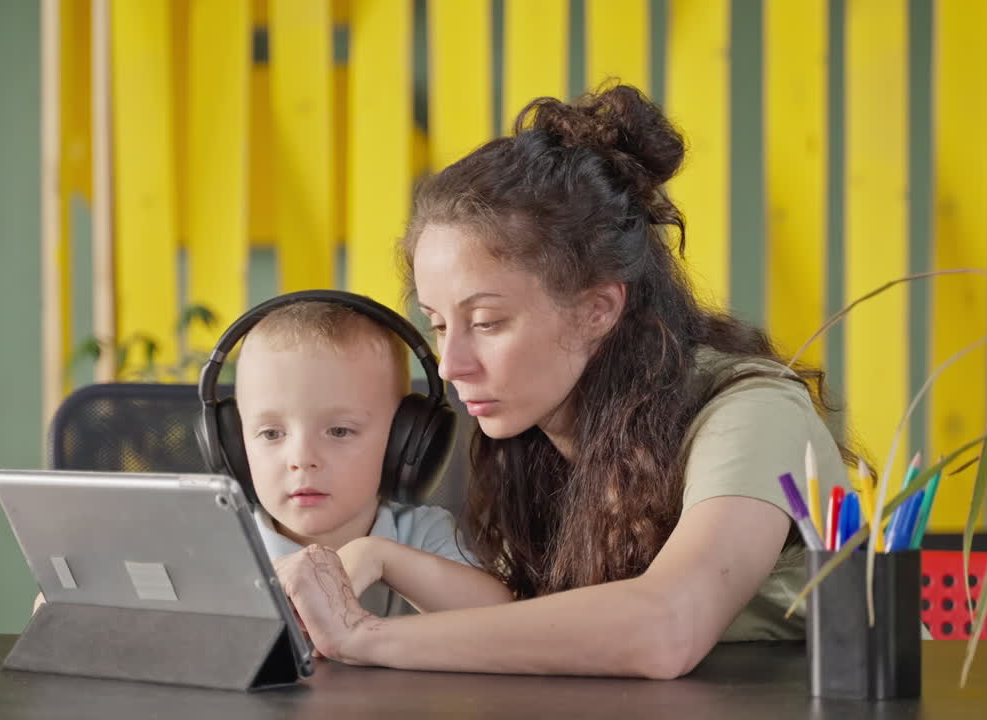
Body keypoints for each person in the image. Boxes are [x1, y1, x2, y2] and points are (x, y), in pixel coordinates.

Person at [271, 84, 855, 679]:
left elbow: (665, 628)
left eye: (487, 322)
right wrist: (377, 556)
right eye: (441, 324)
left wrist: (368, 635)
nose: (450, 365)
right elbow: (536, 622)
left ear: (598, 309)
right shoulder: (531, 430)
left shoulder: (751, 411)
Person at [231, 298, 509, 615]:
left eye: (339, 431)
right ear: (232, 444)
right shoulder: (222, 543)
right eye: (271, 433)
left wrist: (379, 557)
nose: (302, 459)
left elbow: (497, 615)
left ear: (403, 442)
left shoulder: (420, 533)